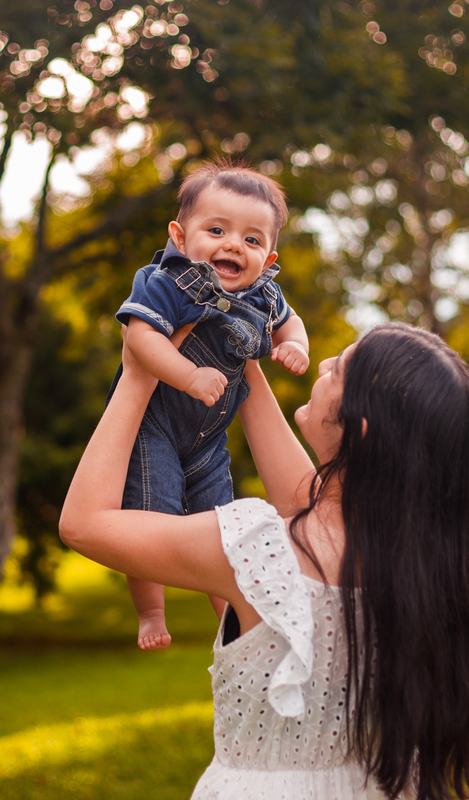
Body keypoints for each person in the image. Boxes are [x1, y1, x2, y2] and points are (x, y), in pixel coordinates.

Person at [61, 322, 469, 800]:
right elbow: (306, 500)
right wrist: (236, 336)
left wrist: (137, 373)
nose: (321, 365)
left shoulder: (259, 547)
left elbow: (84, 523)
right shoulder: (428, 562)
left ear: (359, 429)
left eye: (337, 369)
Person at [112, 159, 311, 650]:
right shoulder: (167, 281)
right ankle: (151, 612)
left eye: (251, 239)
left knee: (224, 526)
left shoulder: (265, 295)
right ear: (180, 237)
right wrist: (186, 373)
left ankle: (230, 620)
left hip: (208, 441)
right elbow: (140, 339)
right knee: (146, 517)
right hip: (154, 426)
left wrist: (296, 346)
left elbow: (292, 323)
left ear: (268, 258)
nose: (232, 245)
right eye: (217, 229)